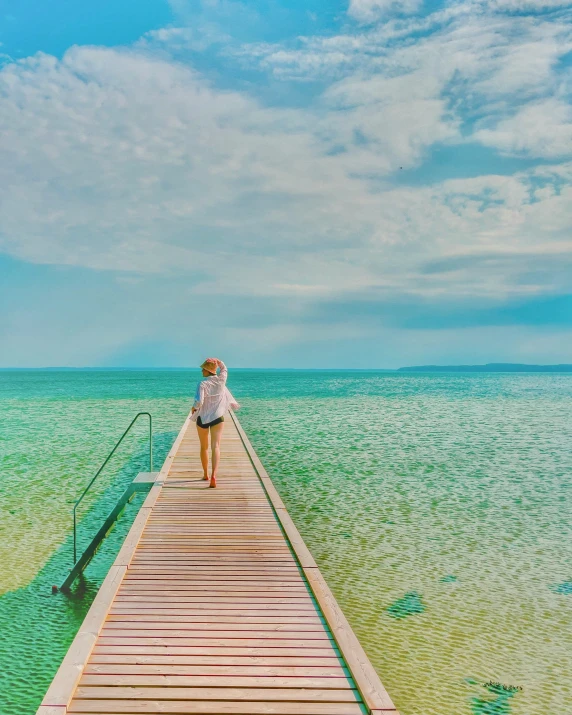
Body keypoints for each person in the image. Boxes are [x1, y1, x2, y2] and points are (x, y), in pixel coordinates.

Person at [191, 358, 239, 488]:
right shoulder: (221, 380)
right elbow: (224, 369)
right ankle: (214, 475)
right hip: (218, 417)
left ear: (207, 370)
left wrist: (193, 408)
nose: (201, 370)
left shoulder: (202, 384)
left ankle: (206, 474)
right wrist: (219, 361)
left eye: (203, 368)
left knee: (204, 447)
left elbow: (199, 402)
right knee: (216, 446)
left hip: (203, 418)